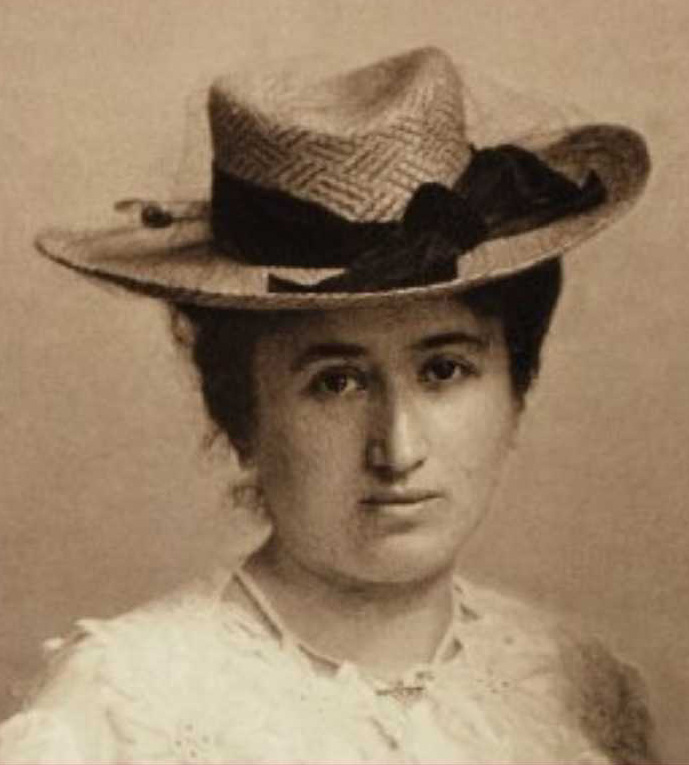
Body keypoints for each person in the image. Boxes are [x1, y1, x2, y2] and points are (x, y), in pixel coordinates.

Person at [0, 47, 657, 763]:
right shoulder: (121, 709)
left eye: (443, 370)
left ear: (515, 389)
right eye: (336, 382)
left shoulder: (579, 688)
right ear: (240, 413)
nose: (398, 448)